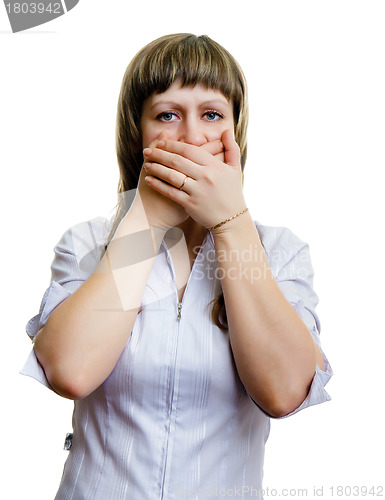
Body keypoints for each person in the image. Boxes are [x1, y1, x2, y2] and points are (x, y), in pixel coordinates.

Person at [21, 33, 333, 499]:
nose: (191, 137)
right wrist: (147, 221)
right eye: (168, 115)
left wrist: (230, 222)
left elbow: (284, 392)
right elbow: (71, 372)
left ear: (235, 132)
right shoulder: (86, 244)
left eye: (211, 115)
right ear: (137, 133)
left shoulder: (279, 251)